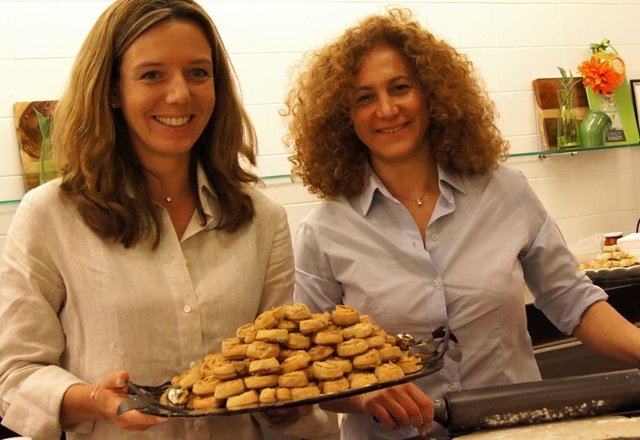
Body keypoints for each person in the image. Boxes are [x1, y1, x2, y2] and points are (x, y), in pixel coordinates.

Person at [282, 7, 640, 439]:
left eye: (400, 88)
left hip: (513, 432)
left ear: (432, 93)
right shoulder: (324, 232)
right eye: (364, 98)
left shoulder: (505, 192)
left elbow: (572, 299)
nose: (387, 109)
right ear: (344, 116)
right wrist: (364, 395)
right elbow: (309, 369)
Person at [0, 1, 338, 439]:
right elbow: (17, 373)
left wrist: (290, 403)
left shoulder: (261, 219)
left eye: (198, 72)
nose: (180, 94)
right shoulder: (50, 216)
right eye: (152, 75)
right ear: (112, 90)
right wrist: (98, 400)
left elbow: (274, 365)